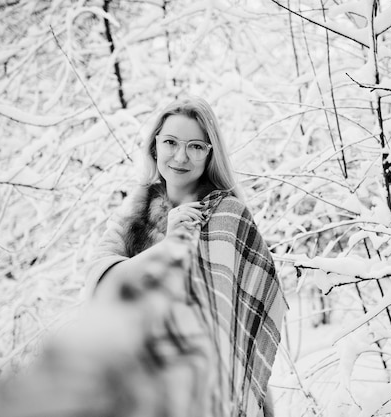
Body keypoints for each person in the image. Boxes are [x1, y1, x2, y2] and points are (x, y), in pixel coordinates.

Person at [85, 96, 286, 417]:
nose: (181, 156)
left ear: (210, 153)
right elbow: (101, 282)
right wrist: (167, 245)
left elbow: (236, 313)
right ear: (155, 147)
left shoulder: (228, 215)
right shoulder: (135, 210)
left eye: (196, 146)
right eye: (170, 142)